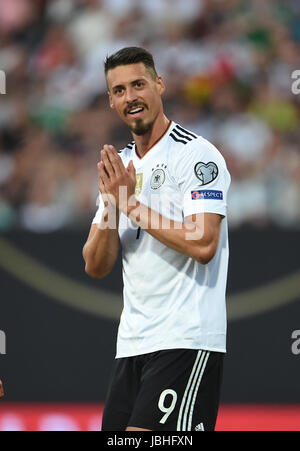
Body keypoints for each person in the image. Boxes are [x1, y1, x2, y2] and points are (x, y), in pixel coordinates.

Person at [83, 47, 231, 432]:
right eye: (119, 90)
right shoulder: (121, 168)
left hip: (185, 340)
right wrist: (114, 205)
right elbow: (96, 265)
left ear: (159, 85)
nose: (130, 96)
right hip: (131, 347)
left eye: (138, 84)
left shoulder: (196, 155)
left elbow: (203, 244)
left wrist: (130, 204)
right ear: (112, 101)